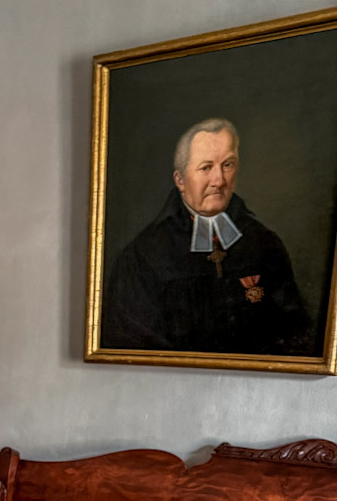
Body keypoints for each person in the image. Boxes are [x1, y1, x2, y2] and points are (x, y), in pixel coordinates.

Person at [102, 117, 312, 354]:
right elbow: (132, 345)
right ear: (180, 180)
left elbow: (295, 332)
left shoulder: (264, 244)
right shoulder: (143, 256)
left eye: (228, 165)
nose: (219, 181)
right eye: (206, 167)